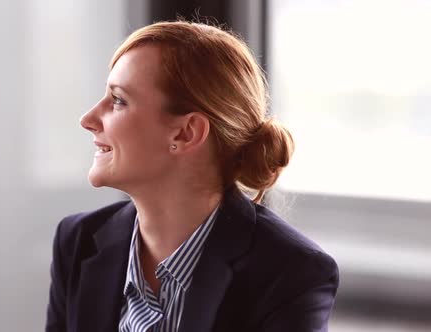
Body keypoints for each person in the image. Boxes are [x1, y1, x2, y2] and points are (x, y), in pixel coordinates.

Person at [46, 20, 339, 332]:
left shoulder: (291, 273)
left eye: (118, 100)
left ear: (186, 133)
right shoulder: (77, 241)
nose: (88, 118)